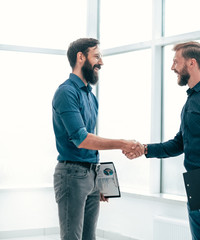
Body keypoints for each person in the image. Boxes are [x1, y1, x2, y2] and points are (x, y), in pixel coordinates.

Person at [125, 41, 200, 240]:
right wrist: (144, 149)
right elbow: (179, 143)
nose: (172, 67)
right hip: (195, 184)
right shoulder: (191, 99)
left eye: (176, 62)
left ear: (192, 63)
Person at [52, 38, 143, 240]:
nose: (101, 62)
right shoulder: (66, 92)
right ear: (80, 57)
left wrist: (98, 180)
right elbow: (82, 139)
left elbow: (91, 141)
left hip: (90, 174)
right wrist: (122, 143)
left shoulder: (91, 97)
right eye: (97, 56)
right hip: (72, 175)